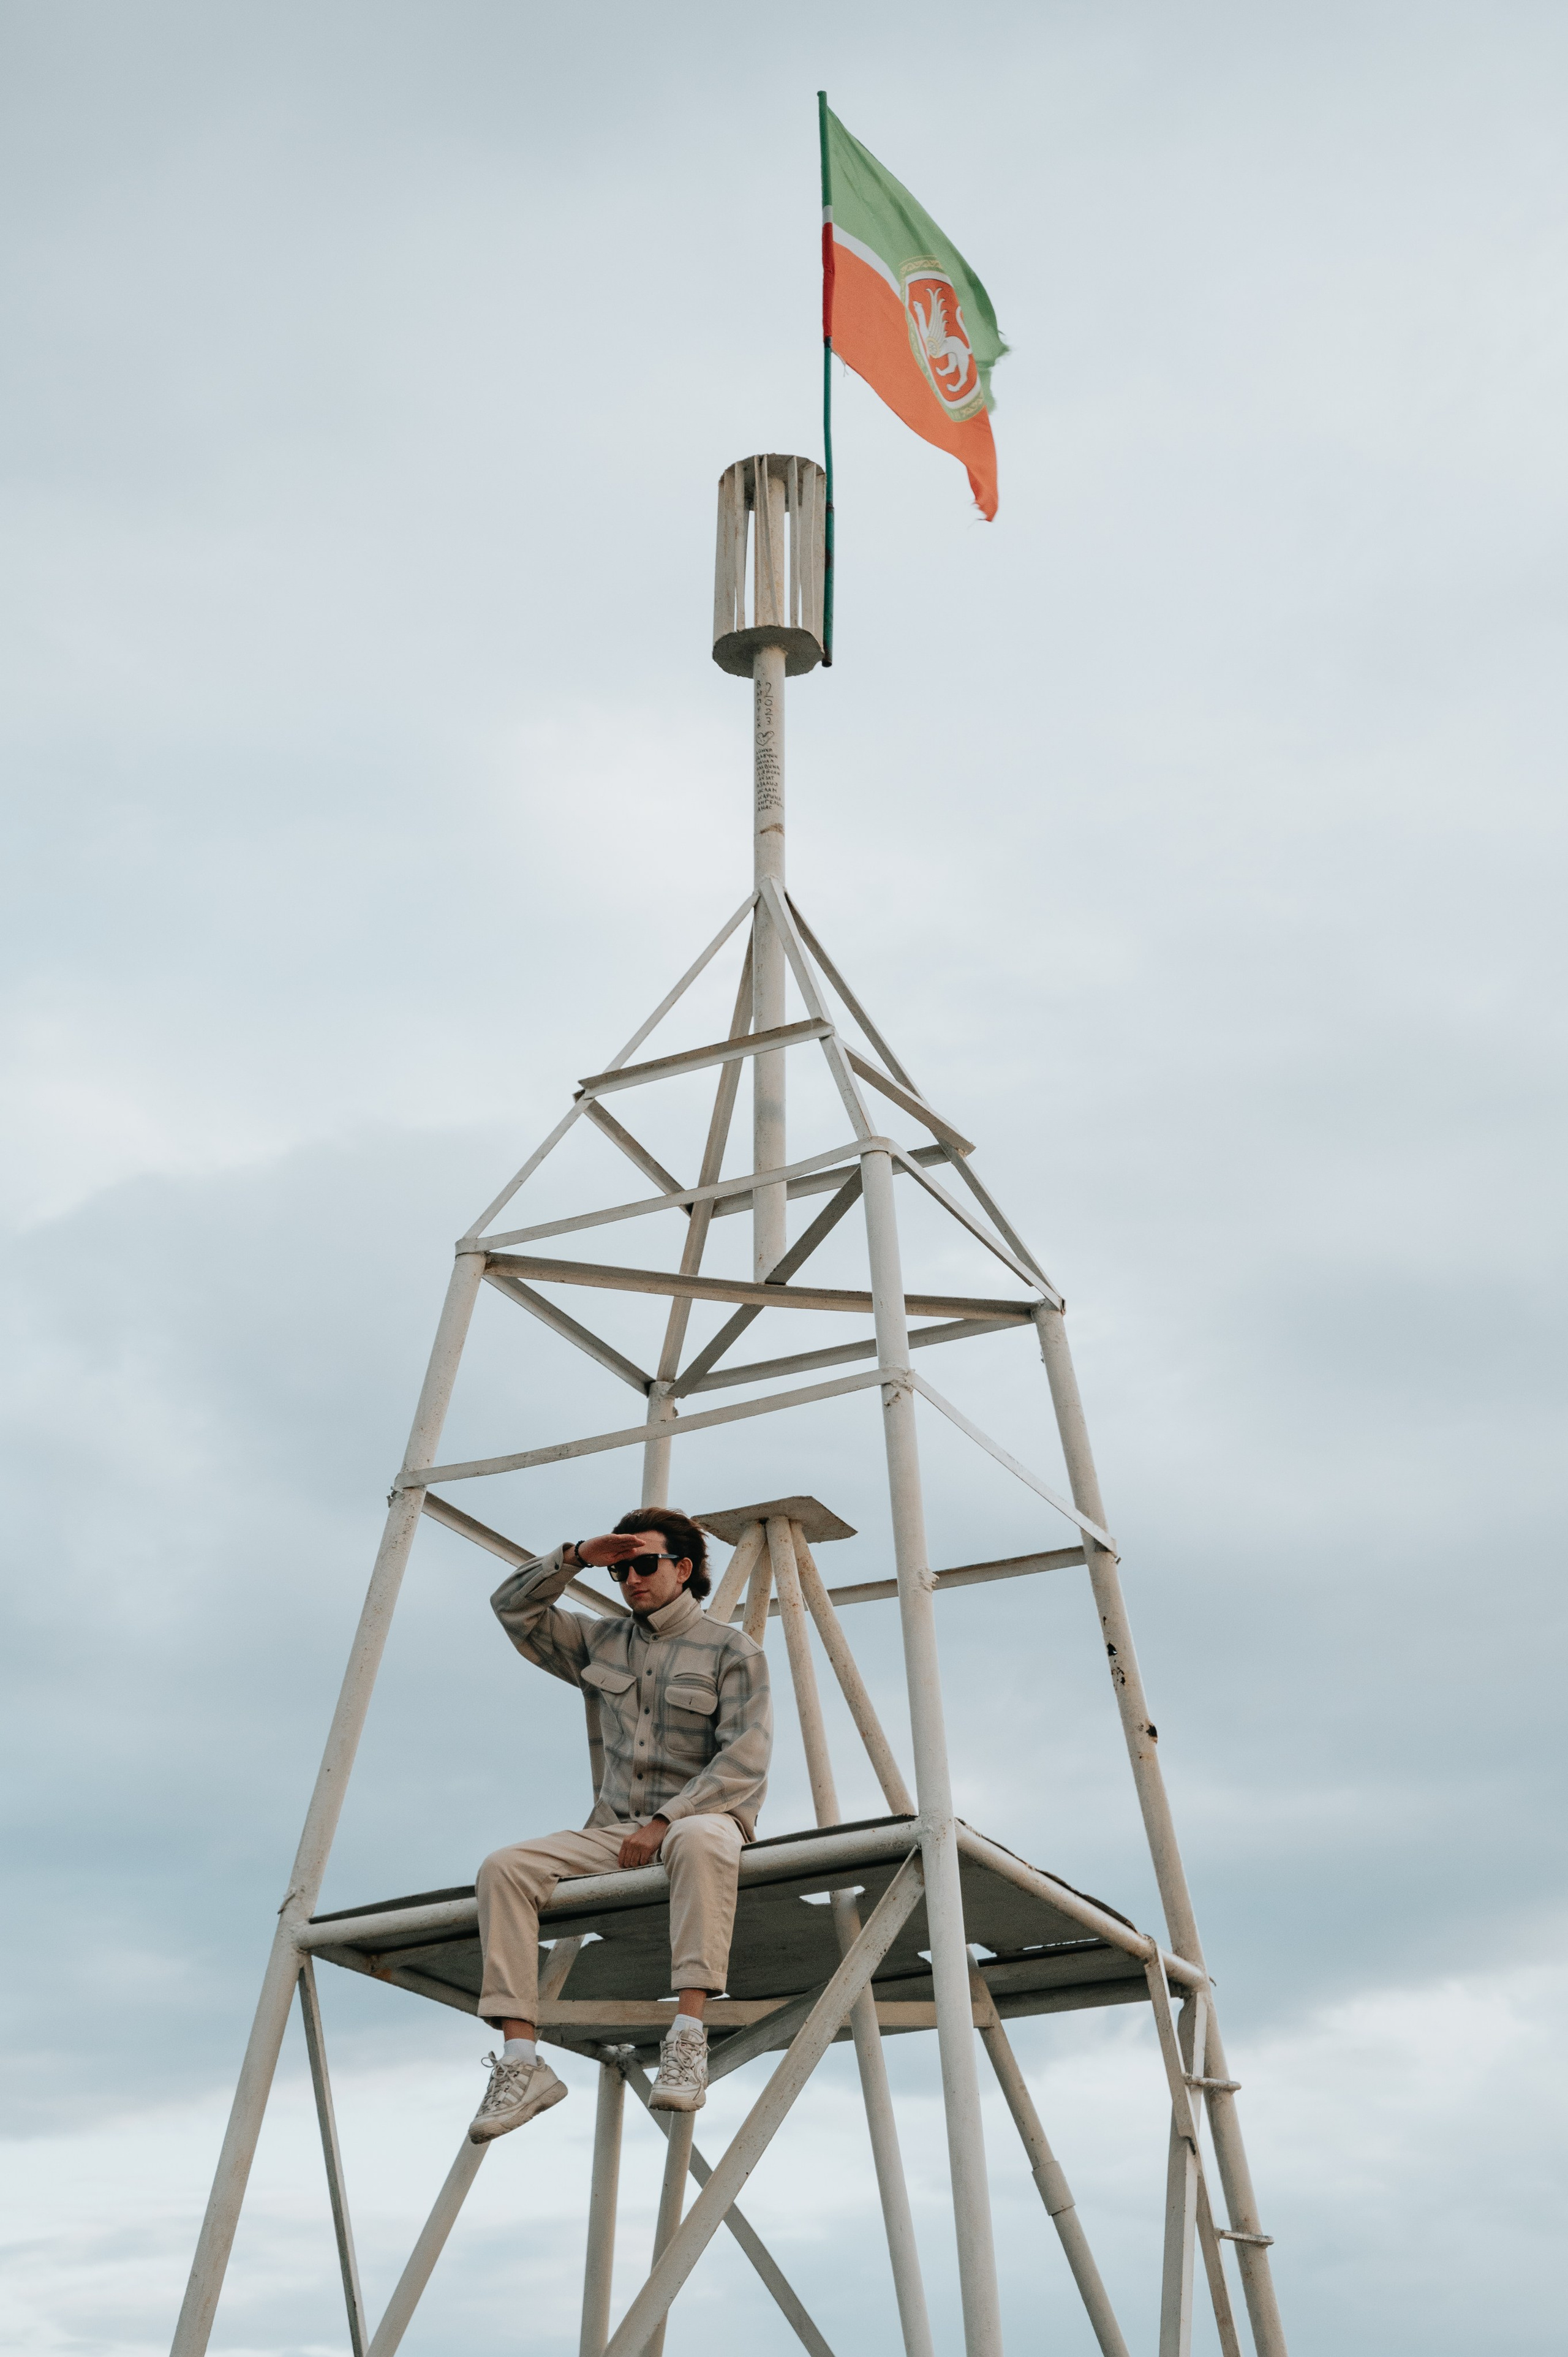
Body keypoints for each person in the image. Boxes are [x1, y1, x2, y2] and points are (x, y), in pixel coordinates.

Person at [466, 1508, 772, 2144]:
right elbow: (511, 1608)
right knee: (504, 1866)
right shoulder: (599, 1641)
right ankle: (522, 2064)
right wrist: (576, 1554)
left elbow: (744, 1756)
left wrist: (666, 1819)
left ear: (682, 1568)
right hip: (617, 1828)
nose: (630, 1577)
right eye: (620, 1568)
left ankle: (688, 2037)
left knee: (694, 1836)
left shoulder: (732, 1649)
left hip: (703, 1822)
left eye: (644, 1563)